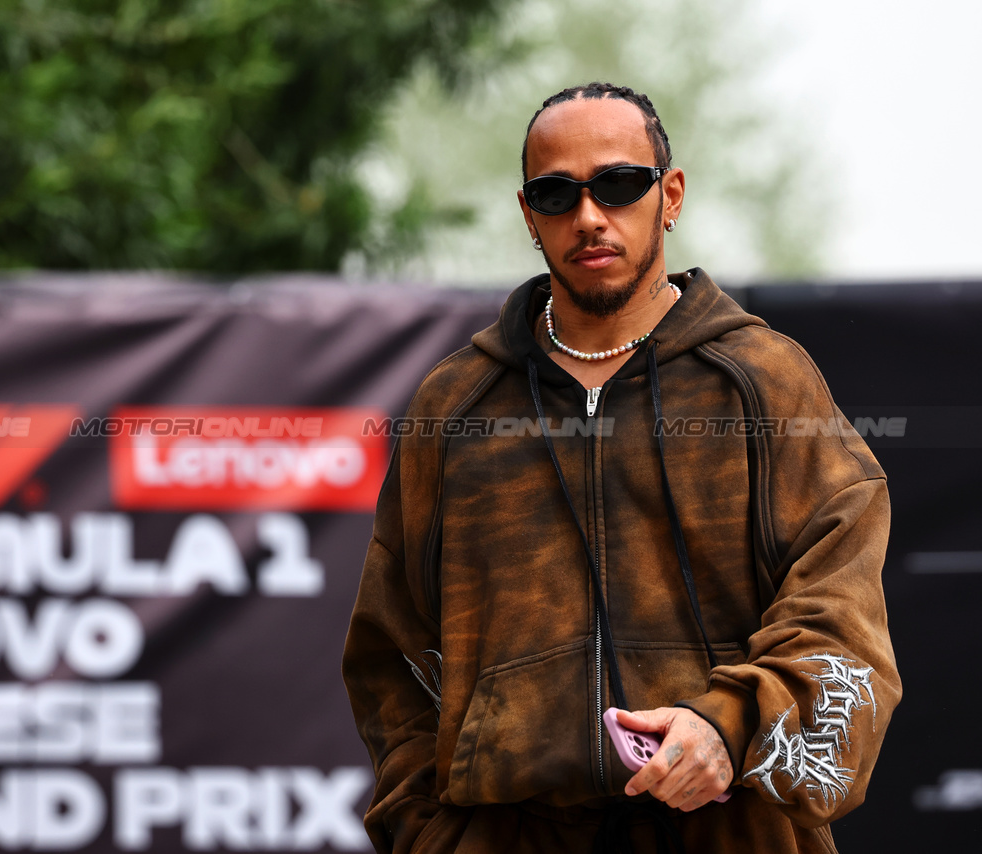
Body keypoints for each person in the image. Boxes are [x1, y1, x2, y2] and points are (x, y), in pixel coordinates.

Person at [341, 82, 900, 853]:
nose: (590, 216)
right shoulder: (456, 404)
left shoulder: (764, 380)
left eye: (618, 183)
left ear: (669, 195)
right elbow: (389, 652)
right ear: (528, 213)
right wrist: (433, 839)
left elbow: (841, 616)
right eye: (556, 193)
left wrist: (728, 726)